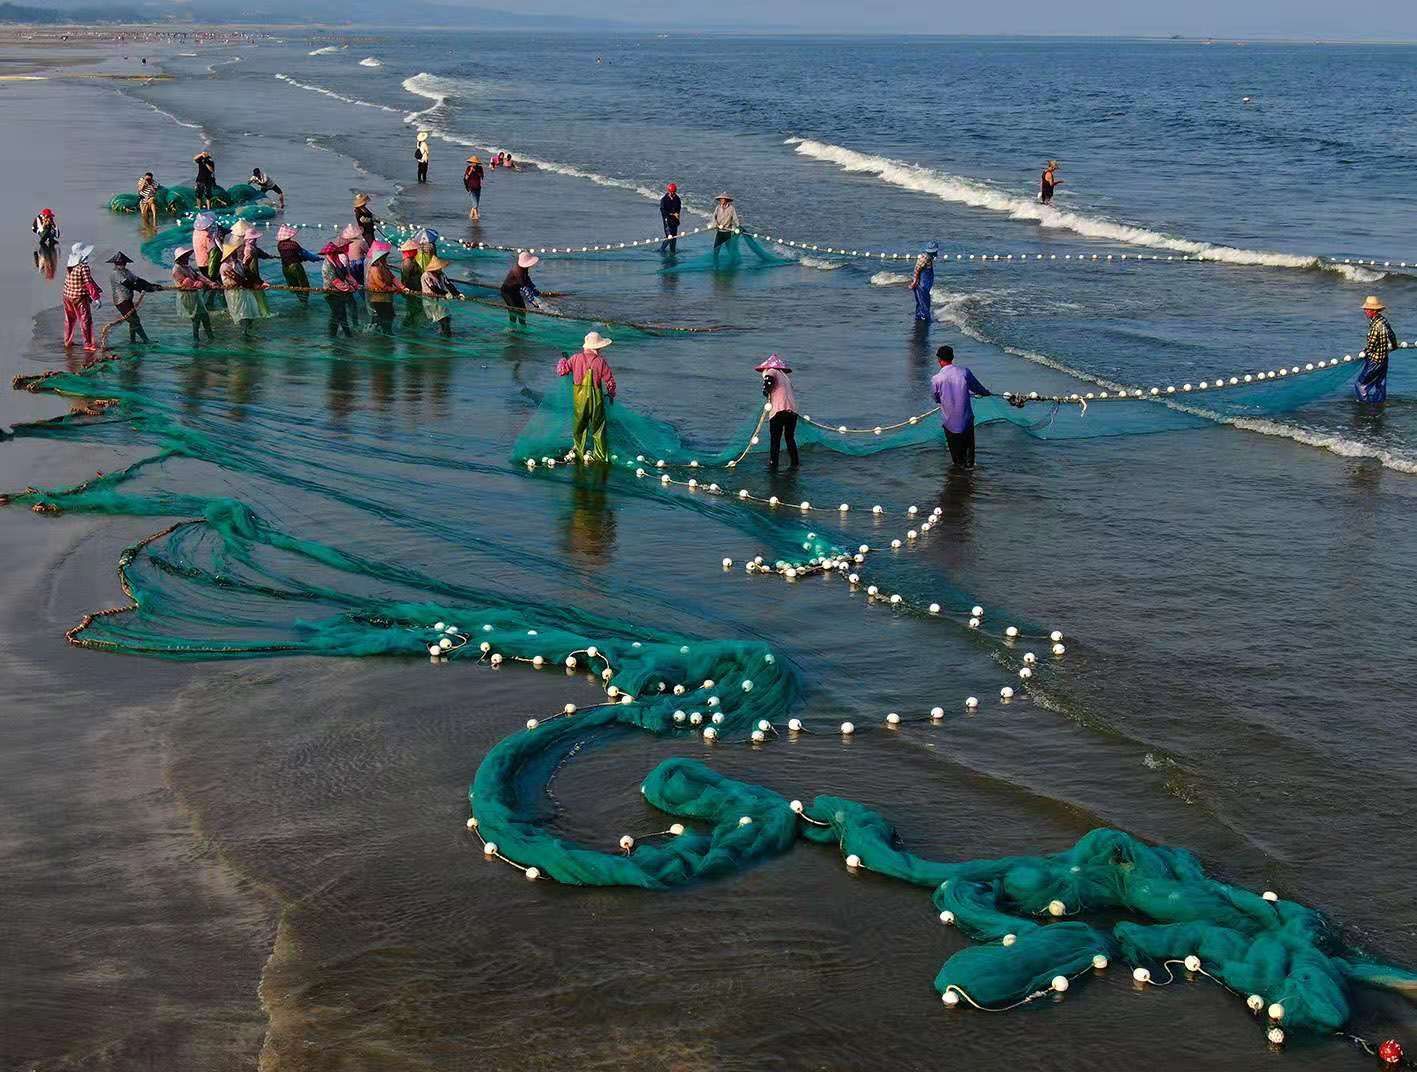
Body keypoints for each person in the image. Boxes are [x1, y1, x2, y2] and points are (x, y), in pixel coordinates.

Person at [557, 331, 617, 463]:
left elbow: (562, 371)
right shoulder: (600, 362)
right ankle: (601, 456)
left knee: (579, 426)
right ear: (597, 348)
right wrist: (611, 394)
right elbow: (610, 381)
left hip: (580, 400)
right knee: (598, 428)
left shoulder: (575, 358)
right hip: (597, 401)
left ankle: (578, 452)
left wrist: (562, 360)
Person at [930, 345, 992, 468]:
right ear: (952, 357)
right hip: (966, 421)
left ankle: (959, 481)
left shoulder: (936, 379)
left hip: (950, 424)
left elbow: (936, 398)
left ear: (939, 360)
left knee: (957, 461)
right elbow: (978, 388)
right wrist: (986, 393)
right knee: (970, 461)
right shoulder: (964, 372)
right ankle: (970, 479)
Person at [219, 237, 271, 337]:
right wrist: (254, 285)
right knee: (242, 314)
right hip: (234, 293)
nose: (235, 253)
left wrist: (260, 282)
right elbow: (238, 279)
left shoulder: (238, 262)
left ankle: (247, 333)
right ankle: (244, 335)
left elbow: (248, 273)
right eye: (233, 252)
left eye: (235, 251)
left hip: (243, 291)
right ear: (228, 255)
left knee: (249, 313)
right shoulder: (225, 267)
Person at [106, 252, 161, 344]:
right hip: (121, 301)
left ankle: (133, 341)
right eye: (120, 263)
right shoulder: (115, 273)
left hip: (128, 300)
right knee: (135, 320)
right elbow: (127, 284)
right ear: (115, 263)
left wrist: (150, 286)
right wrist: (140, 289)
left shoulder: (127, 272)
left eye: (123, 263)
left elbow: (138, 280)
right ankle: (146, 340)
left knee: (133, 320)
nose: (122, 264)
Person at [756, 354, 799, 469]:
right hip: (792, 412)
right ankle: (795, 463)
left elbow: (768, 380)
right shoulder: (785, 377)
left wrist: (766, 390)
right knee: (789, 438)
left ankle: (773, 465)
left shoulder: (771, 371)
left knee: (775, 440)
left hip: (779, 411)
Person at [171, 245, 219, 342]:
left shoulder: (187, 267)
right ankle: (196, 339)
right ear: (180, 259)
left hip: (195, 295)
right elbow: (187, 282)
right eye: (185, 257)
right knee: (196, 318)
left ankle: (210, 337)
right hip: (187, 296)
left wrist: (210, 282)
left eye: (187, 256)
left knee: (204, 316)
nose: (187, 258)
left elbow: (198, 276)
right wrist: (199, 284)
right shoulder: (176, 270)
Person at [1356, 295, 1398, 404]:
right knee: (1381, 383)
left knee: (1360, 384)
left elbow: (1372, 345)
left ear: (1373, 311)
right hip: (1384, 359)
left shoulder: (1375, 326)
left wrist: (1365, 352)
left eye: (1367, 309)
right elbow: (1392, 335)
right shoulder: (1383, 320)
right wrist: (1394, 346)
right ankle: (1379, 404)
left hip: (1375, 361)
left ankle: (1366, 406)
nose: (1365, 311)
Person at [61, 243, 102, 351]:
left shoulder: (70, 265)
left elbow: (85, 281)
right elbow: (88, 283)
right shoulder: (84, 267)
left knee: (69, 320)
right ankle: (88, 344)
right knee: (85, 320)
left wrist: (96, 290)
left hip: (67, 296)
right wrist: (96, 298)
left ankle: (67, 341)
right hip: (79, 297)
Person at [363, 240, 408, 334]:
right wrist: (393, 289)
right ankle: (384, 332)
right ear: (379, 258)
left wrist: (401, 286)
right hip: (378, 297)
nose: (385, 259)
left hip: (387, 297)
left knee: (390, 315)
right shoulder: (374, 269)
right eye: (384, 257)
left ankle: (384, 331)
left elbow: (392, 278)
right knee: (383, 316)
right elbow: (380, 284)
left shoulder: (384, 267)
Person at [320, 241, 357, 338]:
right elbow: (335, 281)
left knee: (340, 315)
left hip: (339, 293)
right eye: (332, 253)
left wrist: (354, 284)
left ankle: (343, 335)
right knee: (338, 315)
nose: (334, 254)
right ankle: (337, 336)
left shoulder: (337, 261)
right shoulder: (327, 265)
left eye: (335, 253)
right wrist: (348, 288)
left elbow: (346, 275)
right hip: (331, 293)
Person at [276, 224, 320, 303]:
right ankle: (305, 302)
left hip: (285, 268)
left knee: (294, 286)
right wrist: (316, 258)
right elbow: (304, 253)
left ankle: (300, 300)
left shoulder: (279, 245)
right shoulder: (293, 244)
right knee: (304, 285)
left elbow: (290, 255)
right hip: (295, 267)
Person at [420, 255, 460, 336]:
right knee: (442, 319)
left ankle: (444, 334)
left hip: (441, 299)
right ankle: (445, 336)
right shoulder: (426, 276)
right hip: (431, 300)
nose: (440, 269)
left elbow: (448, 284)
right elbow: (433, 288)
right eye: (439, 268)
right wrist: (446, 294)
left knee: (446, 318)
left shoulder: (441, 274)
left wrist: (457, 293)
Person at [500, 251, 539, 326]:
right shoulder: (517, 271)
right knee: (514, 310)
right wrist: (532, 301)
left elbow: (527, 279)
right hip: (507, 292)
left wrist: (533, 288)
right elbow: (525, 288)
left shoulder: (524, 268)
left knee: (522, 310)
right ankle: (512, 327)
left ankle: (523, 325)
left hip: (515, 291)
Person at [911, 241, 938, 322]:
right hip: (921, 286)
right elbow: (916, 270)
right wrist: (915, 281)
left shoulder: (930, 258)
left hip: (925, 285)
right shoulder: (924, 258)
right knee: (924, 303)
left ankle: (920, 318)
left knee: (922, 302)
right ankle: (924, 320)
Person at [399, 239, 425, 325]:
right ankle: (409, 323)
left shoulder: (411, 261)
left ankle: (411, 322)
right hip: (412, 287)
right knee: (413, 307)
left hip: (414, 287)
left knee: (413, 306)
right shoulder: (408, 263)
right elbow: (406, 278)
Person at [659, 182, 682, 253]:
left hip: (675, 222)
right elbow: (663, 211)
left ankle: (672, 251)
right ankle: (661, 250)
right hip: (667, 222)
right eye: (671, 192)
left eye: (674, 192)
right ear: (668, 191)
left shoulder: (677, 199)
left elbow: (679, 208)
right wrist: (672, 214)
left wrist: (677, 215)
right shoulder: (664, 200)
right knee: (669, 237)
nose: (673, 194)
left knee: (674, 239)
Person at [463, 156, 484, 220]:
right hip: (471, 188)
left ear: (477, 163)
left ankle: (471, 215)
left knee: (476, 203)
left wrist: (476, 171)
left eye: (474, 163)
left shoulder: (480, 168)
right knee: (475, 204)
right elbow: (465, 178)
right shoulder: (468, 168)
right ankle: (476, 217)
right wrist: (470, 171)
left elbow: (482, 176)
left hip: (478, 187)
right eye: (472, 162)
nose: (473, 164)